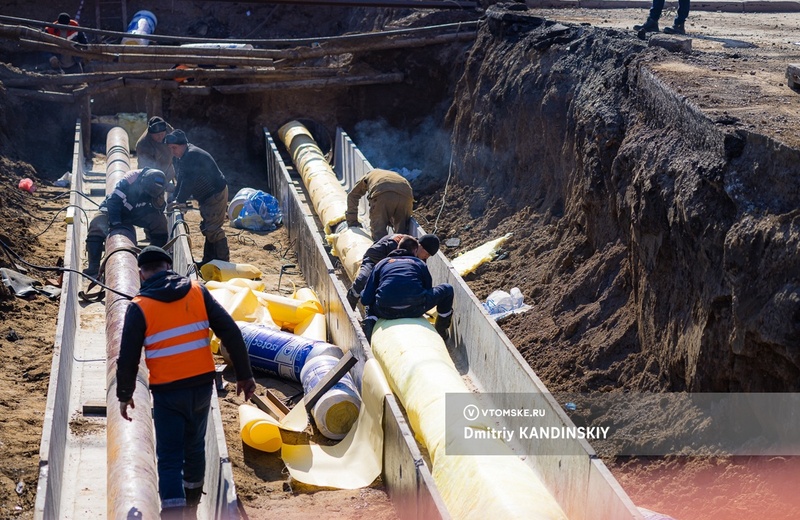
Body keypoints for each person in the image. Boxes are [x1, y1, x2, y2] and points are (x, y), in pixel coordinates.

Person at [116, 246, 256, 517]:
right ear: (168, 266)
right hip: (202, 387)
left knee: (169, 458)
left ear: (142, 274)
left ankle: (173, 513)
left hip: (168, 393)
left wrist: (125, 393)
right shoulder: (197, 291)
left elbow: (127, 357)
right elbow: (230, 331)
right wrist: (245, 375)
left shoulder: (139, 306)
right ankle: (192, 508)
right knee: (194, 447)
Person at [360, 236, 454, 341]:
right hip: (415, 309)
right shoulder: (420, 264)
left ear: (397, 247)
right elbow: (427, 289)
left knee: (369, 298)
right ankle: (441, 331)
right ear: (415, 250)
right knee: (448, 289)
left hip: (385, 311)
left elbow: (365, 299)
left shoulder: (381, 264)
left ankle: (370, 325)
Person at [84, 168, 168, 277]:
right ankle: (93, 266)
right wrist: (116, 224)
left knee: (160, 222)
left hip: (137, 212)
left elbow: (159, 208)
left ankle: (155, 263)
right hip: (115, 209)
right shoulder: (129, 180)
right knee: (97, 223)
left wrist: (160, 205)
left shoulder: (159, 185)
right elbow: (113, 201)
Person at [164, 129, 230, 265]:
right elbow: (181, 178)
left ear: (183, 144)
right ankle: (209, 261)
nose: (173, 151)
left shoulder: (191, 155)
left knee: (213, 229)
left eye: (174, 148)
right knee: (207, 227)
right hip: (207, 196)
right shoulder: (185, 155)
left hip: (215, 194)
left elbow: (188, 181)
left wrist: (179, 201)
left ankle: (223, 262)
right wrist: (175, 197)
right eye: (170, 148)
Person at [347, 233, 440, 309]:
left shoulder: (420, 256)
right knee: (364, 279)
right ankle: (353, 296)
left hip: (387, 268)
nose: (426, 257)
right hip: (374, 261)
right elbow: (371, 253)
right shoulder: (395, 244)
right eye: (427, 254)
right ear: (420, 246)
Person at [346, 168, 414, 240]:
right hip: (407, 195)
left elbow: (352, 196)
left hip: (382, 192)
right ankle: (401, 249)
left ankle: (381, 248)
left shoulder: (368, 176)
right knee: (401, 232)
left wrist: (352, 221)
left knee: (378, 231)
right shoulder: (392, 175)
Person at [135, 117, 177, 193]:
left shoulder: (168, 129)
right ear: (150, 134)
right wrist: (164, 185)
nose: (160, 136)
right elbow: (147, 173)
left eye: (162, 134)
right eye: (157, 135)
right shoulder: (143, 145)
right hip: (153, 175)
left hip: (169, 167)